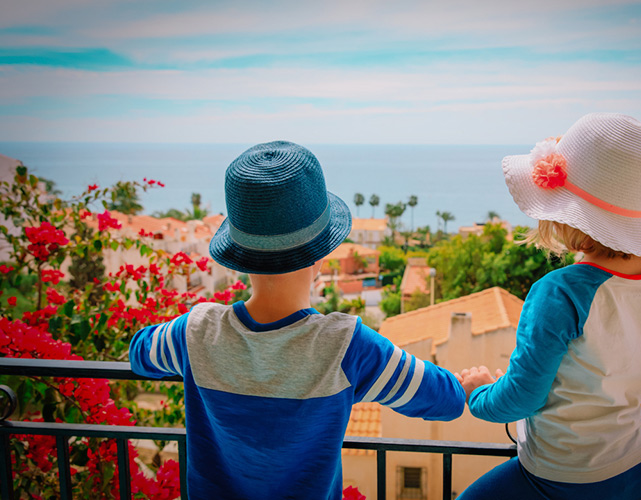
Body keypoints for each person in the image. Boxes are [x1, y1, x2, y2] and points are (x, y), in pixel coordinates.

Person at [129, 141, 465, 499]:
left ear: (240, 255)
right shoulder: (347, 346)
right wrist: (468, 384)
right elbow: (445, 400)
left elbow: (140, 354)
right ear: (320, 254)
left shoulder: (195, 331)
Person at [455, 113, 641, 500]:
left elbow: (521, 399)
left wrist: (476, 394)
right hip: (638, 468)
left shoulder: (560, 292)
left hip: (563, 476)